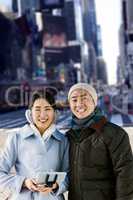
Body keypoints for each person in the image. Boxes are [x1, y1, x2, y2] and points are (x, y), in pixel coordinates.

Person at [67, 82, 133, 200]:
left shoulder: (114, 133)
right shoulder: (69, 136)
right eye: (74, 100)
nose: (79, 104)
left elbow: (126, 174)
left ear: (94, 102)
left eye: (84, 98)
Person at [0, 90, 69, 200]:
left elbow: (69, 175)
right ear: (30, 113)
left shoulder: (63, 140)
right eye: (37, 109)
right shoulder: (16, 137)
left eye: (47, 109)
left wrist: (56, 185)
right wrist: (23, 182)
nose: (42, 115)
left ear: (55, 113)